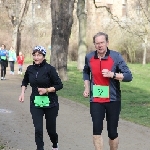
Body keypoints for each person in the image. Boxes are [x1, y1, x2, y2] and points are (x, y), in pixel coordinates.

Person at [83, 32, 132, 150]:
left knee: (112, 132)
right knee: (96, 131)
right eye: (97, 43)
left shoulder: (115, 57)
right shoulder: (89, 57)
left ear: (107, 43)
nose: (100, 45)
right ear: (94, 44)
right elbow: (85, 72)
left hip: (113, 100)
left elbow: (129, 76)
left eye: (102, 43)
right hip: (96, 100)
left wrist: (113, 74)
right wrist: (87, 87)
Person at [19, 46, 63, 150]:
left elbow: (59, 85)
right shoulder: (30, 69)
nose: (36, 57)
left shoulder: (50, 69)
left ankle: (55, 144)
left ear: (43, 56)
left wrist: (46, 90)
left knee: (50, 130)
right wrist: (22, 93)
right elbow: (25, 82)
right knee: (38, 129)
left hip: (50, 103)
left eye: (39, 55)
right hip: (35, 103)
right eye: (34, 55)